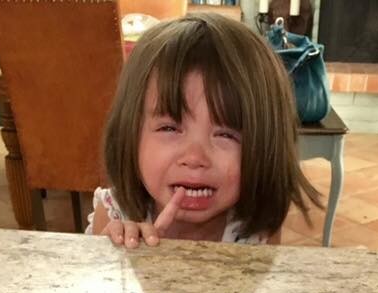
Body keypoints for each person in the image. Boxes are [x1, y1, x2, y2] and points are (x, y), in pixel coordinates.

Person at [88, 12, 319, 247]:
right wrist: (121, 255)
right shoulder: (113, 213)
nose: (194, 158)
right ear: (130, 134)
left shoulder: (257, 231)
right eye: (169, 128)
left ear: (264, 146)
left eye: (226, 134)